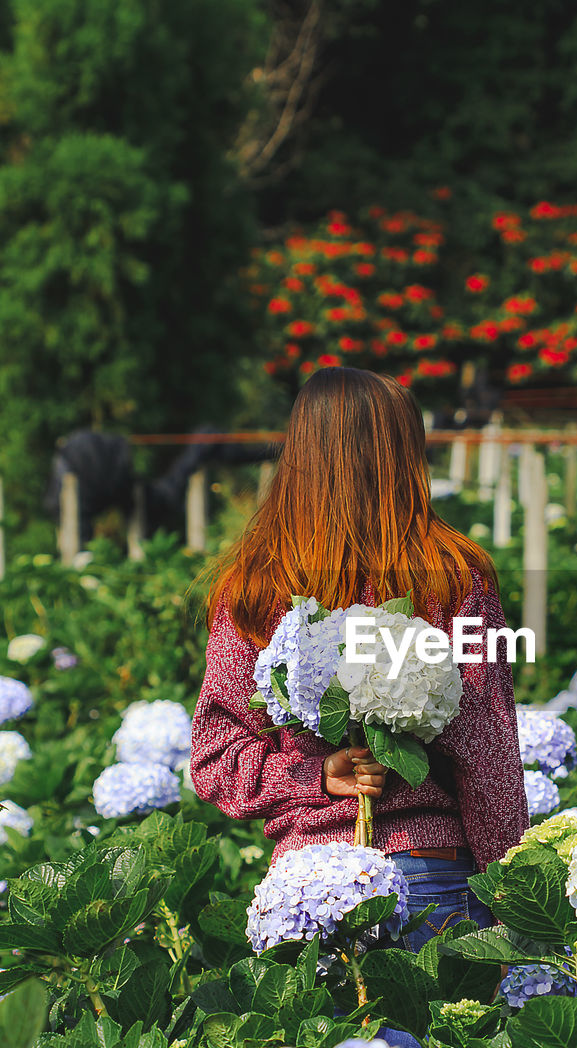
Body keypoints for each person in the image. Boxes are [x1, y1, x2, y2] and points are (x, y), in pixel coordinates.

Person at [190, 366, 528, 955]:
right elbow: (486, 746)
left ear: (299, 454)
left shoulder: (254, 586)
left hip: (311, 893)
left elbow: (216, 757)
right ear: (401, 455)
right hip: (433, 873)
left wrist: (314, 777)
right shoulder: (450, 576)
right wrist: (517, 901)